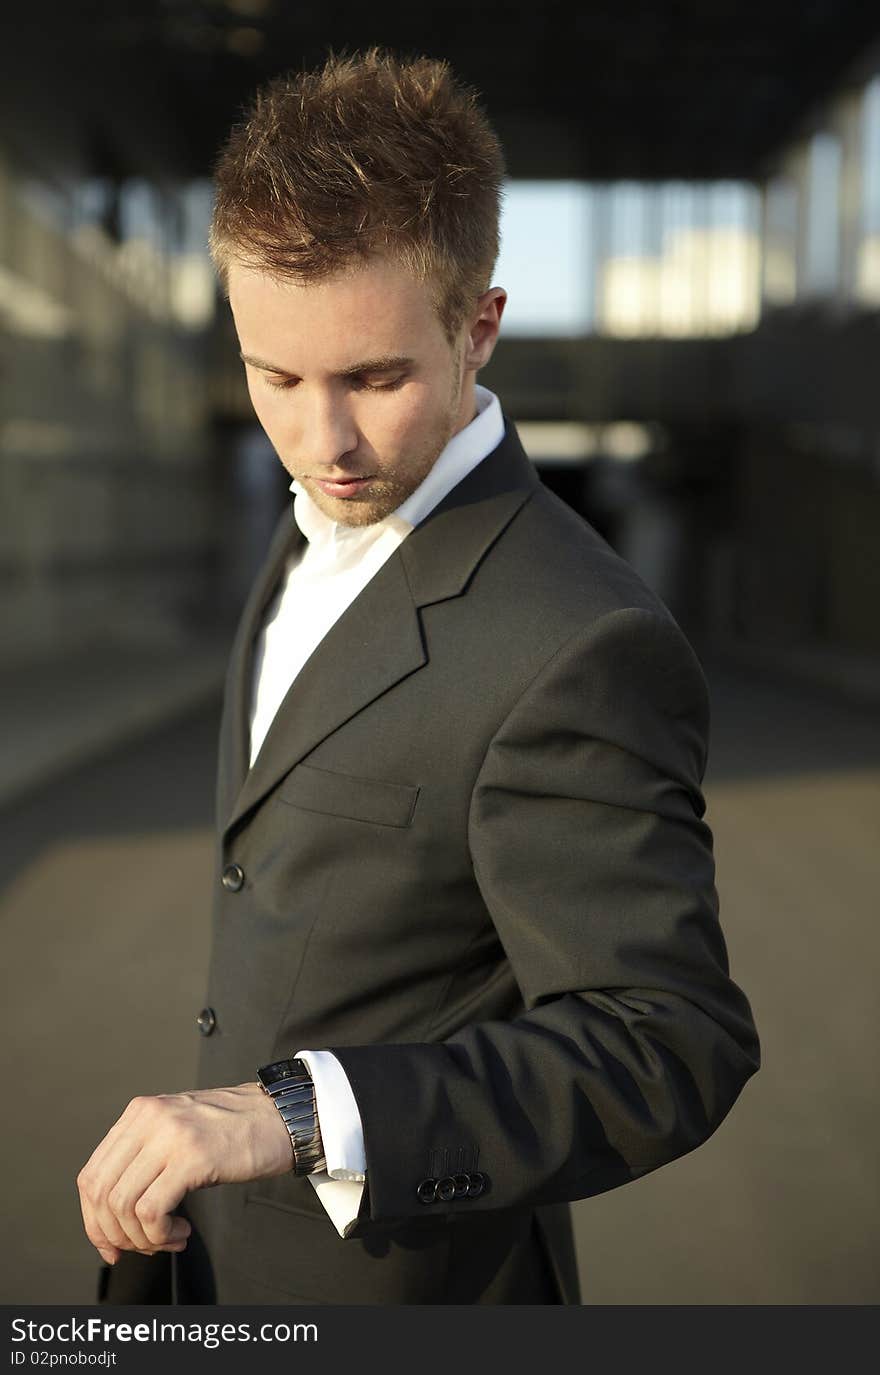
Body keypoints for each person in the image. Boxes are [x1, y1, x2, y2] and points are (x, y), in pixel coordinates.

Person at [78, 49, 760, 1306]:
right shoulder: (307, 522)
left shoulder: (580, 638)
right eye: (273, 377)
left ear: (477, 327)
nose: (322, 441)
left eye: (374, 379)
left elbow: (668, 1043)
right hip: (210, 1271)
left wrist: (292, 1115)